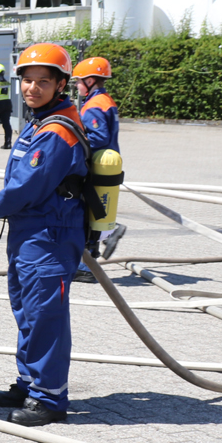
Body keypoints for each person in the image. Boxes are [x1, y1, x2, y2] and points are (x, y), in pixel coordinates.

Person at [0, 43, 90, 426]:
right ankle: (29, 382)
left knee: (45, 317)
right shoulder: (40, 121)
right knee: (27, 312)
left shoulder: (56, 131)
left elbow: (26, 187)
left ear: (61, 85)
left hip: (50, 236)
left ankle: (49, 398)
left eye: (43, 81)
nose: (32, 88)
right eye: (27, 80)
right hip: (30, 233)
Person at [72, 56, 126, 281]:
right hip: (105, 165)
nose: (77, 86)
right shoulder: (105, 100)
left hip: (96, 165)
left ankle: (85, 267)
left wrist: (73, 145)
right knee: (93, 211)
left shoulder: (94, 105)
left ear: (90, 80)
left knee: (84, 215)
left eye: (79, 81)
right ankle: (107, 237)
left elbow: (98, 137)